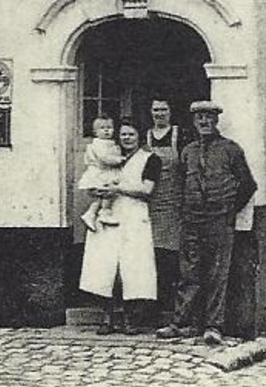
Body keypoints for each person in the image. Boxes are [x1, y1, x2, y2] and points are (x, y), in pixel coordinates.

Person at [156, 100, 257, 347]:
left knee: (216, 274)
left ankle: (214, 326)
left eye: (208, 117)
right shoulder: (188, 151)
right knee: (188, 273)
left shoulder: (231, 150)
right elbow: (180, 184)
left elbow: (247, 184)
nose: (204, 122)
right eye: (199, 118)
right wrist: (184, 211)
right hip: (192, 221)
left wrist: (228, 210)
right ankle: (181, 324)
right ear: (194, 121)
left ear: (216, 120)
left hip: (219, 222)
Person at [76, 119, 160, 334]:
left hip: (134, 216)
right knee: (104, 267)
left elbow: (146, 190)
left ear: (139, 136)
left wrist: (119, 190)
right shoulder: (109, 157)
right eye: (123, 134)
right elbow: (94, 182)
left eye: (131, 134)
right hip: (109, 216)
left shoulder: (150, 159)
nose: (126, 138)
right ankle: (108, 317)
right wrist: (97, 191)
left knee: (133, 269)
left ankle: (130, 319)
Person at [143, 98, 184, 319]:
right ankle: (154, 308)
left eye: (164, 110)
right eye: (156, 109)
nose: (160, 114)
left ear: (170, 112)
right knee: (153, 255)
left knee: (172, 255)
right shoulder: (146, 137)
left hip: (174, 203)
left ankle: (173, 308)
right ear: (151, 112)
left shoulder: (179, 135)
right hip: (151, 202)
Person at [75, 115, 124, 232]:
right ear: (95, 132)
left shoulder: (110, 143)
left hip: (107, 171)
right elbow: (104, 158)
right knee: (106, 193)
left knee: (103, 196)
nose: (106, 130)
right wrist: (120, 159)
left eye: (109, 127)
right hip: (101, 173)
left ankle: (91, 213)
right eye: (102, 128)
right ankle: (104, 213)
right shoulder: (98, 144)